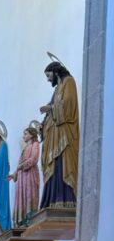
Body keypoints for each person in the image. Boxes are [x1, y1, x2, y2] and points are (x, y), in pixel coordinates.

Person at [39, 59, 79, 210]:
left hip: (65, 133)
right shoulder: (57, 88)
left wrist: (50, 109)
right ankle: (52, 201)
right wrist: (44, 123)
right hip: (56, 134)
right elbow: (52, 106)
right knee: (54, 165)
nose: (48, 79)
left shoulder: (69, 81)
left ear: (56, 72)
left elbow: (68, 103)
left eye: (49, 75)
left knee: (64, 164)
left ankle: (67, 199)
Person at [8, 125, 41, 226]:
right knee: (22, 196)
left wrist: (22, 166)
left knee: (29, 195)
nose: (23, 136)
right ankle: (22, 221)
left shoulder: (35, 144)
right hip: (22, 176)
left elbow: (34, 159)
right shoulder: (25, 148)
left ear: (32, 135)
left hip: (30, 174)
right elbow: (19, 164)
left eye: (25, 134)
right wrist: (14, 175)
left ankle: (30, 220)